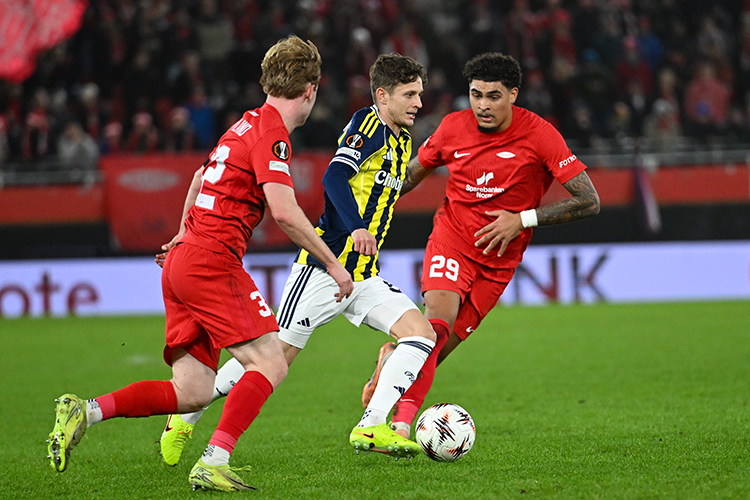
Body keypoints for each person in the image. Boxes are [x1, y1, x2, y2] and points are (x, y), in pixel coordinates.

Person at [46, 36, 354, 492]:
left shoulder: (244, 124)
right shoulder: (272, 135)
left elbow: (197, 178)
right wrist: (333, 263)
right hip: (211, 260)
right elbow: (285, 212)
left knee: (191, 391)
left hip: (185, 258)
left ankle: (85, 411)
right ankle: (214, 460)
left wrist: (180, 235)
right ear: (311, 90)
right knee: (270, 362)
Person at [158, 53, 437, 464]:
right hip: (324, 268)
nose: (418, 103)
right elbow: (334, 177)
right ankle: (186, 415)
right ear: (382, 96)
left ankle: (372, 423)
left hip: (363, 273)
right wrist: (357, 226)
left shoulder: (402, 140)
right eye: (409, 94)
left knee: (421, 334)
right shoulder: (368, 126)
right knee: (271, 360)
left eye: (419, 94)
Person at [361, 52, 601, 439]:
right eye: (476, 95)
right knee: (435, 328)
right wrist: (360, 208)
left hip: (499, 262)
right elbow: (410, 176)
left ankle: (393, 359)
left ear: (513, 95)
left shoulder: (540, 134)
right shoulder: (453, 127)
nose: (483, 106)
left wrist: (521, 219)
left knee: (435, 351)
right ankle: (399, 427)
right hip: (452, 238)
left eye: (493, 96)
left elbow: (589, 201)